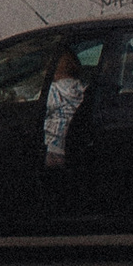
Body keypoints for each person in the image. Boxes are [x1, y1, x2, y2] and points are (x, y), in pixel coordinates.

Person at [41, 42, 87, 171]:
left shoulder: (53, 91)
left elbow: (38, 111)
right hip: (71, 147)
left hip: (53, 150)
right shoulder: (82, 89)